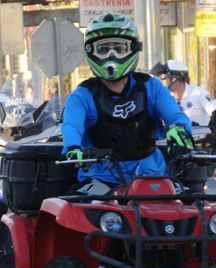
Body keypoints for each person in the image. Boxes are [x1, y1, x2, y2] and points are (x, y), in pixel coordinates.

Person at [61, 13, 192, 188]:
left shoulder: (151, 86)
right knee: (83, 212)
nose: (111, 55)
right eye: (103, 49)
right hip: (100, 180)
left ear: (133, 49)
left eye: (119, 48)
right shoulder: (82, 96)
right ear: (91, 51)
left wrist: (179, 128)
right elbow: (71, 126)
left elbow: (176, 115)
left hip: (152, 176)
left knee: (190, 208)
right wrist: (72, 148)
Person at [149, 60, 216, 131]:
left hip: (200, 140)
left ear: (173, 79)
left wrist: (209, 130)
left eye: (163, 77)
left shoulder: (198, 92)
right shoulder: (164, 98)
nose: (161, 81)